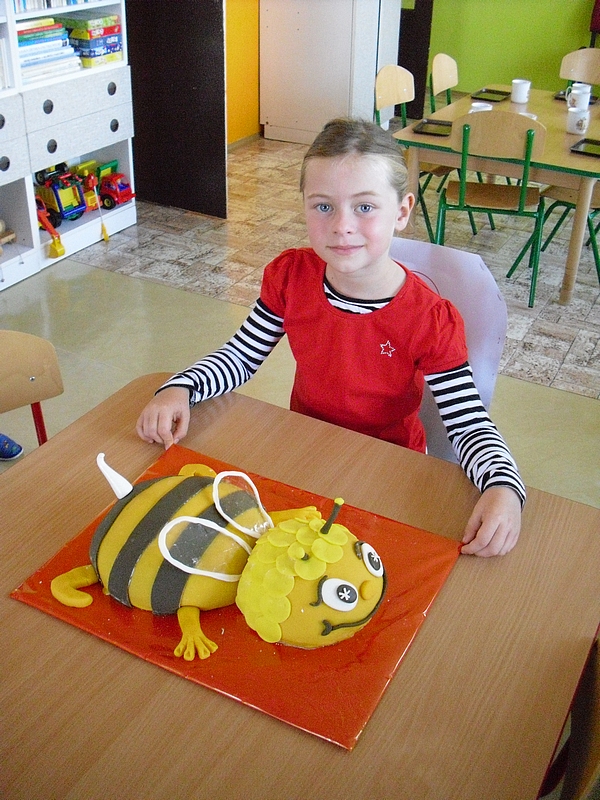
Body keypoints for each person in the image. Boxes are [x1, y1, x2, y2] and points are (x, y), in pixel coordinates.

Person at [137, 118, 525, 558]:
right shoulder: (291, 276)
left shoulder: (431, 320)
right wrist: (181, 387)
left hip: (387, 468)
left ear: (401, 212)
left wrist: (504, 486)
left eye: (365, 207)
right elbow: (241, 357)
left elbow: (468, 422)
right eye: (323, 206)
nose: (342, 225)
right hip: (305, 450)